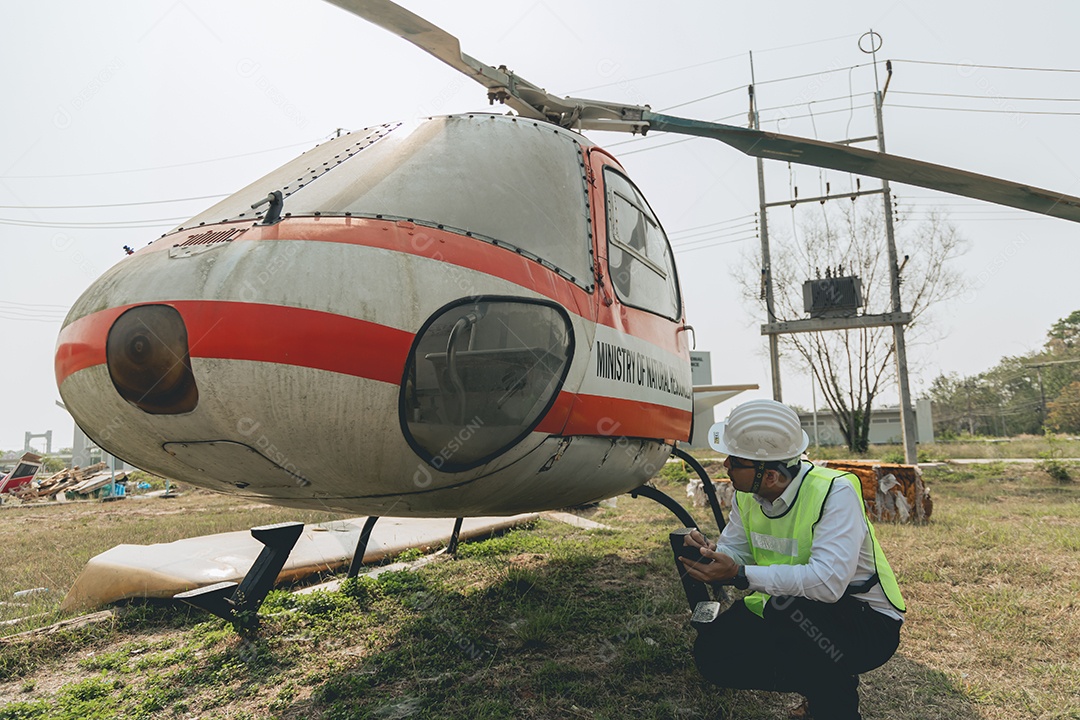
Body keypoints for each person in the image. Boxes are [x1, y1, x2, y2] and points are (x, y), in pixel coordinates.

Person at [680, 399, 904, 720]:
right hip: (785, 608)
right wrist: (712, 554)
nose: (726, 464)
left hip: (866, 623)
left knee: (794, 616)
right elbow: (735, 551)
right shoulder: (748, 494)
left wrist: (741, 575)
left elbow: (827, 584)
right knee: (714, 655)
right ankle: (823, 681)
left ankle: (832, 702)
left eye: (735, 460)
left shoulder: (834, 492)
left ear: (769, 475)